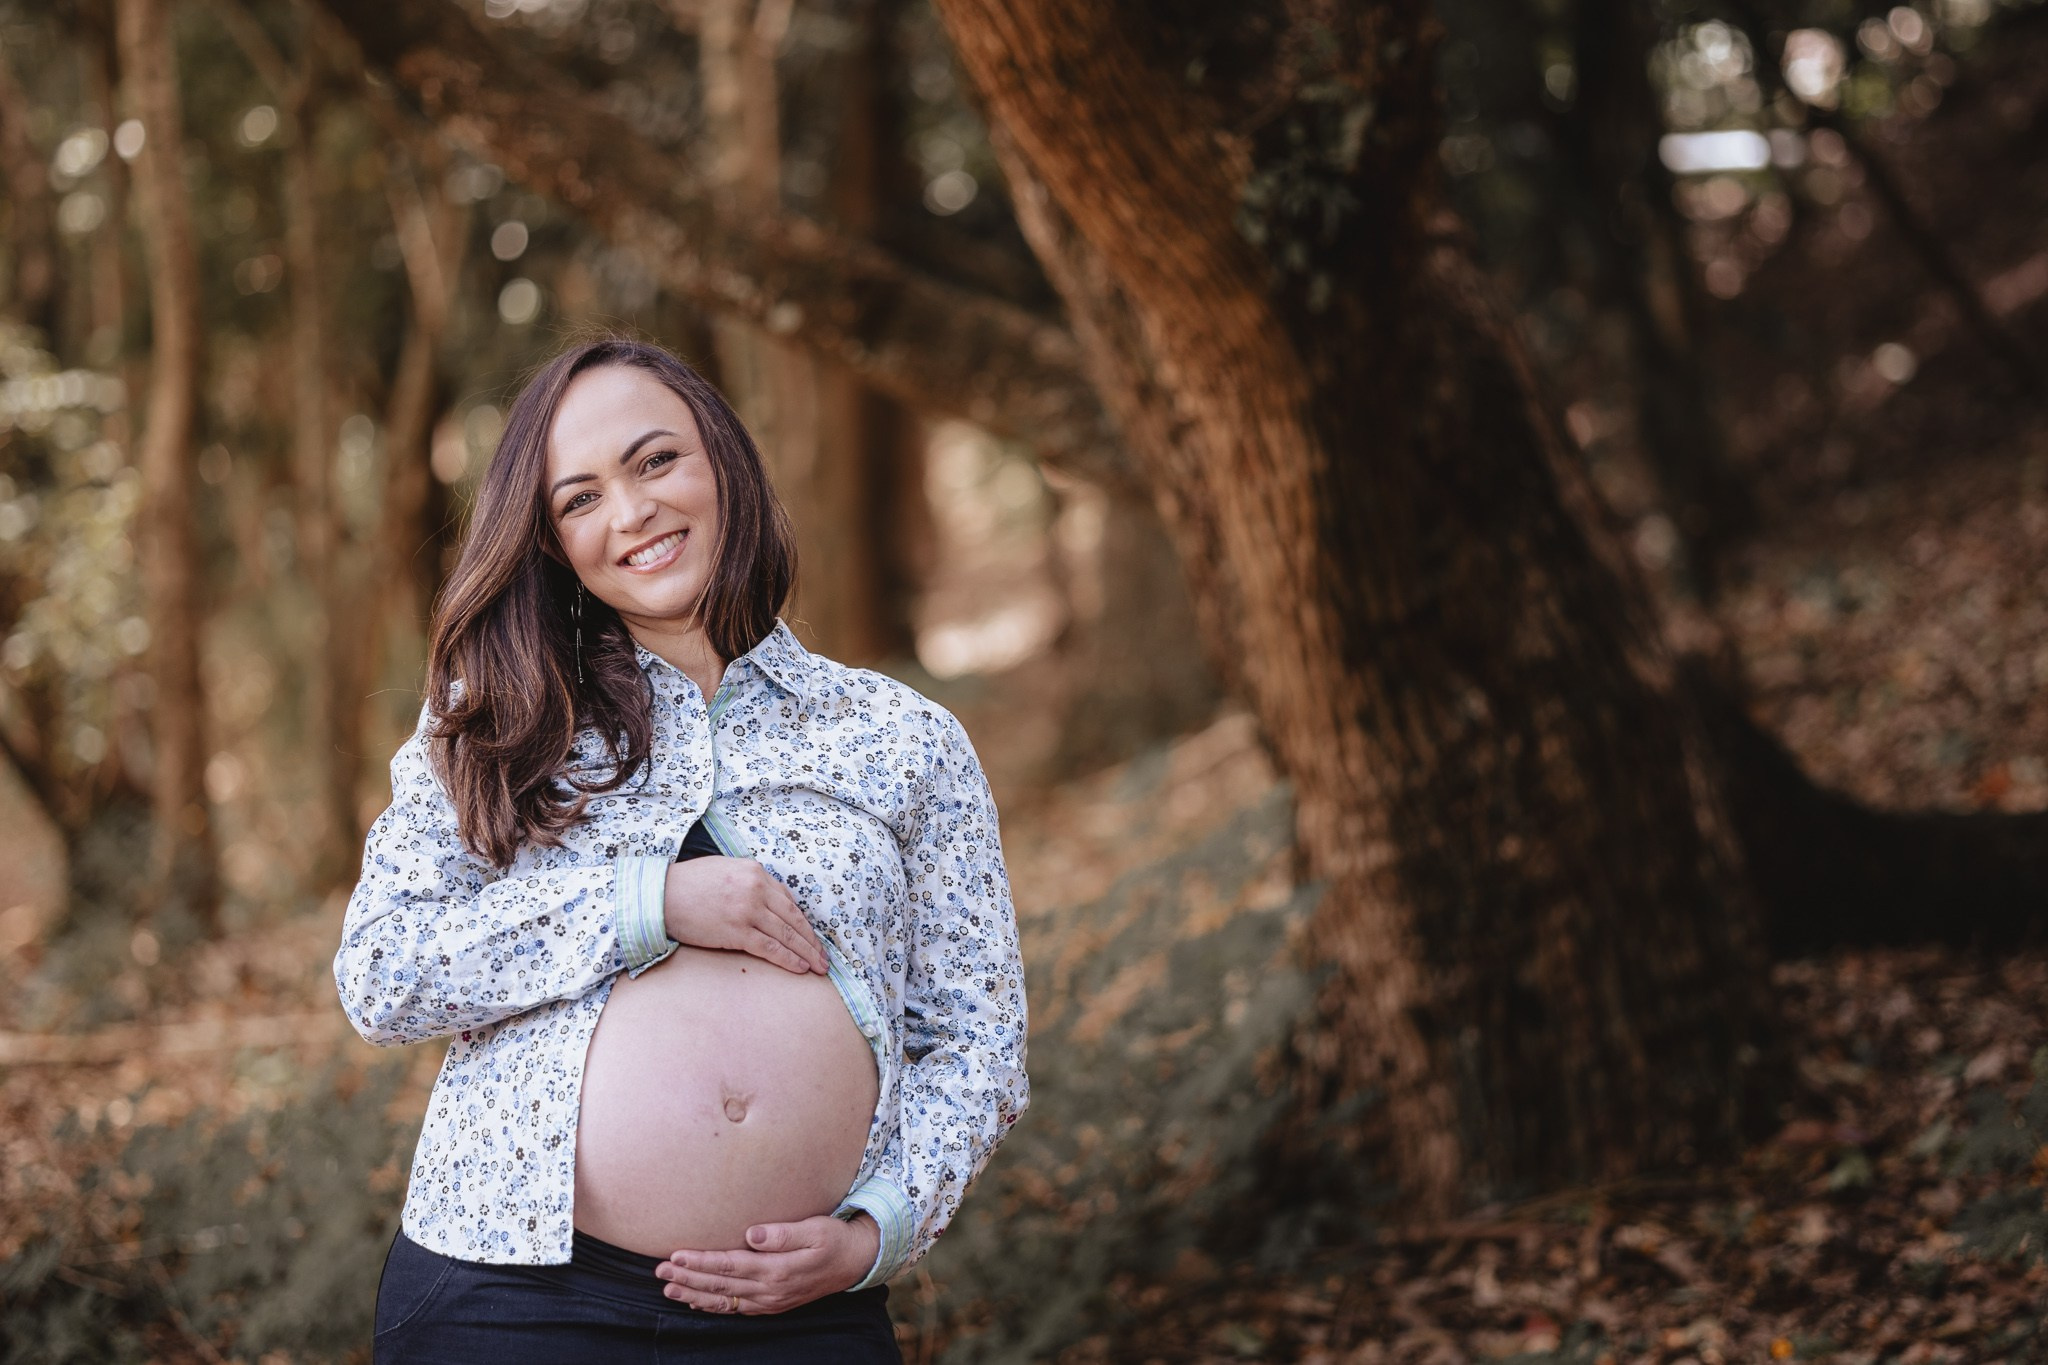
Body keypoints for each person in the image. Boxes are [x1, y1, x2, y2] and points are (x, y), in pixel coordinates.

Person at [334, 336, 1030, 1363]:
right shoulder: (493, 723)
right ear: (551, 542)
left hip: (804, 1317)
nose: (631, 512)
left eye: (655, 461)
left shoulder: (900, 738)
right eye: (580, 499)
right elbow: (382, 971)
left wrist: (875, 1231)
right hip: (515, 1299)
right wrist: (645, 904)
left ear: (722, 463)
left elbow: (979, 1039)